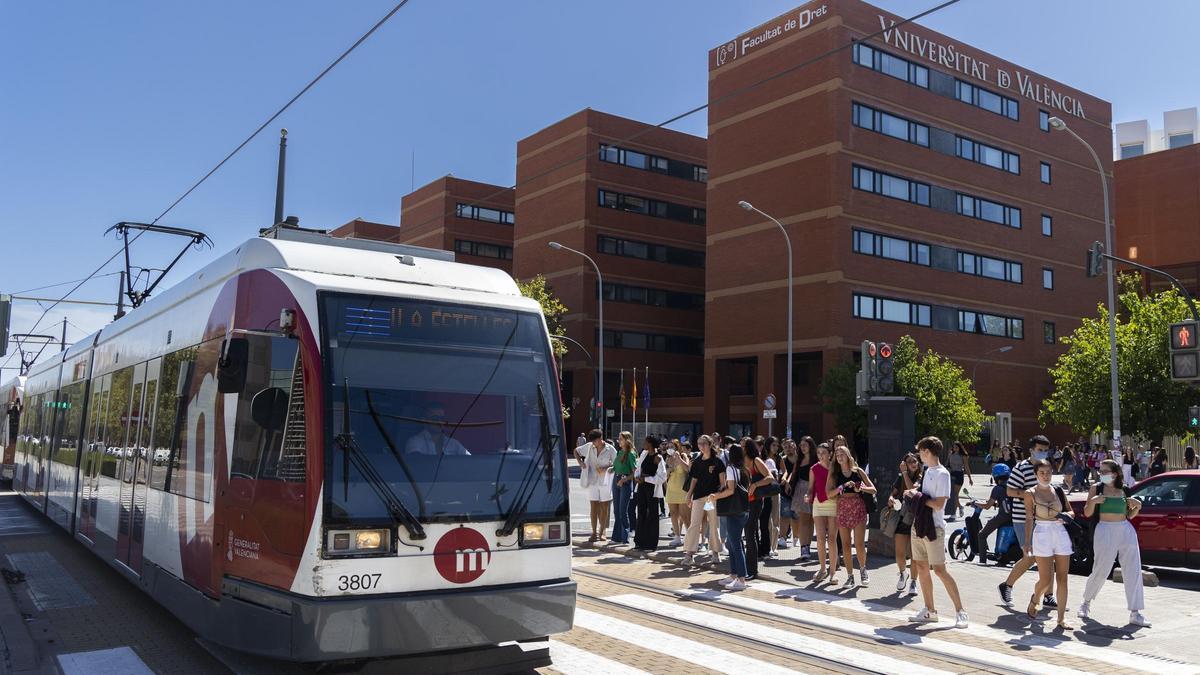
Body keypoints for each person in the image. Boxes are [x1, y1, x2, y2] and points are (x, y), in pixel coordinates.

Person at [1078, 459, 1151, 627]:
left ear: (1115, 473)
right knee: (1101, 569)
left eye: (1105, 471)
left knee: (1133, 569)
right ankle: (1086, 602)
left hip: (1125, 529)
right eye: (1100, 471)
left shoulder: (1124, 490)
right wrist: (1093, 501)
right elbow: (1088, 513)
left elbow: (1129, 515)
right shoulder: (1096, 488)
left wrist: (1137, 507)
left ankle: (1135, 612)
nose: (1101, 474)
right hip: (1104, 529)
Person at [905, 436, 968, 627]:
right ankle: (929, 610)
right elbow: (923, 495)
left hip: (934, 528)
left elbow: (939, 504)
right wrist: (914, 492)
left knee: (940, 570)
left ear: (927, 451)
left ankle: (960, 611)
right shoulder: (927, 471)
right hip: (919, 525)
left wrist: (918, 497)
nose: (919, 456)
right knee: (922, 568)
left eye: (921, 452)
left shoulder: (943, 474)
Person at [997, 435, 1057, 610]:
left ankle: (1048, 596)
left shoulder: (1046, 468)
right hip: (1023, 518)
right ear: (1031, 450)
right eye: (1040, 450)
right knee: (1030, 557)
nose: (1043, 453)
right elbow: (1010, 491)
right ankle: (1007, 585)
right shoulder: (1021, 468)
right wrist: (1031, 496)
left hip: (1044, 519)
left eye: (1046, 450)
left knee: (1049, 557)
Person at [1022, 458, 1073, 629]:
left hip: (1060, 533)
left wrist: (1069, 516)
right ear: (1036, 474)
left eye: (1049, 472)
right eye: (1042, 473)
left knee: (1063, 578)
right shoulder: (1030, 493)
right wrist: (1027, 542)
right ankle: (1035, 599)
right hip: (1042, 533)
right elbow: (1029, 518)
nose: (1046, 476)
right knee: (1045, 581)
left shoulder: (1058, 490)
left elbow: (1070, 510)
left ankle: (1060, 619)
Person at [829, 444, 875, 588]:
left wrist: (859, 487)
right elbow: (829, 494)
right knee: (846, 544)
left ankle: (863, 569)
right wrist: (841, 487)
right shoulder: (835, 474)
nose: (840, 457)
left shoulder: (858, 471)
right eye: (837, 455)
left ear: (848, 455)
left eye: (842, 454)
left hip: (858, 507)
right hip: (842, 508)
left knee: (859, 544)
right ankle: (850, 576)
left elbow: (873, 489)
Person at [709, 443, 749, 591]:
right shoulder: (744, 470)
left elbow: (731, 490)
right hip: (744, 509)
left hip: (734, 511)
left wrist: (716, 496)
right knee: (734, 543)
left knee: (735, 545)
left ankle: (741, 578)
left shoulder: (731, 469)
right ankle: (734, 575)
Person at [683, 435, 725, 566]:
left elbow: (722, 483)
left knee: (713, 523)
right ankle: (689, 554)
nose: (701, 446)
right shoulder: (697, 462)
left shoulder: (717, 461)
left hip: (711, 498)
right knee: (694, 524)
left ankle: (715, 552)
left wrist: (717, 494)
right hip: (698, 497)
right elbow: (694, 480)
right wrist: (689, 495)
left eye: (704, 443)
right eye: (699, 443)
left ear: (710, 444)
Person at [743, 438, 776, 578]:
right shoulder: (739, 462)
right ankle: (746, 567)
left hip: (755, 501)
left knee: (750, 533)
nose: (741, 447)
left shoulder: (756, 460)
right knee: (748, 533)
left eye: (743, 446)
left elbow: (770, 477)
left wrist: (755, 485)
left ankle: (752, 570)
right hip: (743, 501)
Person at [575, 429, 616, 542]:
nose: (594, 443)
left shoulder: (610, 449)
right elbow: (576, 451)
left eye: (595, 441)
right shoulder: (589, 446)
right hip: (592, 480)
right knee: (593, 506)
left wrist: (606, 469)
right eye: (592, 441)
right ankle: (593, 532)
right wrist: (580, 463)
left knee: (604, 507)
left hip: (605, 481)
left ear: (600, 439)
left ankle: (602, 531)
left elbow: (616, 465)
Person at [806, 442, 838, 582]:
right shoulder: (814, 468)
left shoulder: (836, 467)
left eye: (824, 452)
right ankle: (822, 569)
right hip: (818, 504)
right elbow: (810, 488)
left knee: (832, 539)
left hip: (833, 502)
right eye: (819, 453)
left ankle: (832, 572)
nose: (821, 455)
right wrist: (807, 495)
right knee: (820, 538)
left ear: (830, 454)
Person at [890, 453, 921, 595]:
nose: (913, 463)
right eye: (909, 462)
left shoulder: (922, 477)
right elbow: (894, 493)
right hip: (902, 517)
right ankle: (903, 573)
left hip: (917, 518)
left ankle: (914, 581)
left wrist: (904, 472)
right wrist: (890, 499)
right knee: (900, 552)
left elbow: (912, 491)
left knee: (915, 553)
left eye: (914, 460)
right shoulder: (901, 477)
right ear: (905, 464)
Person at [974, 463, 1013, 564]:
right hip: (1015, 516)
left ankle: (982, 561)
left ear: (995, 476)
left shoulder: (997, 489)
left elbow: (987, 505)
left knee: (981, 535)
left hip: (1003, 517)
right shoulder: (1012, 486)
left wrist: (975, 503)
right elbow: (1006, 501)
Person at [633, 436, 668, 551]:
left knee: (652, 514)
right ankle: (639, 542)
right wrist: (637, 477)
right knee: (641, 512)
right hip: (642, 487)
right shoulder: (644, 454)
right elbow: (638, 469)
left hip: (652, 489)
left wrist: (646, 479)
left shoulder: (658, 458)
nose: (643, 444)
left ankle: (650, 544)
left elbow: (662, 477)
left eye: (646, 442)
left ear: (651, 444)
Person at [786, 437, 816, 561]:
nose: (803, 447)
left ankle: (807, 546)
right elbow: (793, 473)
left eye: (805, 445)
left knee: (812, 520)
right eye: (801, 445)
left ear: (810, 446)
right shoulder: (799, 459)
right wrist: (788, 482)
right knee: (804, 519)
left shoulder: (816, 459)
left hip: (815, 490)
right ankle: (804, 547)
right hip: (801, 489)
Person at [404, 403, 470, 455]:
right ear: (424, 420)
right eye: (435, 419)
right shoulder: (414, 441)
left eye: (442, 419)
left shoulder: (453, 443)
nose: (439, 422)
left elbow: (471, 461)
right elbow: (418, 464)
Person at [609, 431, 638, 544]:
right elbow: (617, 466)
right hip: (616, 480)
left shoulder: (631, 454)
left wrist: (624, 479)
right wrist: (612, 469)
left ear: (627, 440)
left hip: (625, 482)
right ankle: (616, 537)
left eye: (621, 439)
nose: (618, 441)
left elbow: (635, 473)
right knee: (616, 511)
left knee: (622, 511)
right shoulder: (620, 452)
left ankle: (624, 537)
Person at [665, 439, 691, 546]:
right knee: (674, 513)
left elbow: (688, 469)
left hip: (682, 489)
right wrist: (669, 470)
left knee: (684, 516)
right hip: (671, 488)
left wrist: (679, 458)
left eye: (672, 446)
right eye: (668, 447)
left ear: (677, 447)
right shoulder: (668, 458)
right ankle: (677, 537)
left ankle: (690, 537)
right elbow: (666, 476)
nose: (670, 449)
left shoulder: (683, 455)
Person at [759, 436, 782, 558]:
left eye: (777, 445)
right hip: (764, 493)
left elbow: (775, 477)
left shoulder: (775, 459)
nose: (776, 448)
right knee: (766, 521)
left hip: (773, 491)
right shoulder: (761, 460)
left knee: (775, 519)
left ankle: (774, 547)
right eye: (774, 445)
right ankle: (767, 546)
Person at [946, 441, 974, 521]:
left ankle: (953, 514)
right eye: (954, 447)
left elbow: (966, 466)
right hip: (951, 474)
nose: (955, 449)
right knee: (953, 495)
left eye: (956, 447)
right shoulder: (950, 454)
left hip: (959, 474)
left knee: (955, 494)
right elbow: (947, 464)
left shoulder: (963, 456)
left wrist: (970, 478)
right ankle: (960, 507)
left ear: (959, 448)